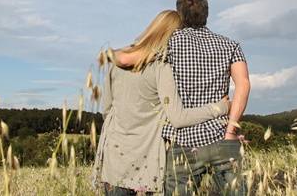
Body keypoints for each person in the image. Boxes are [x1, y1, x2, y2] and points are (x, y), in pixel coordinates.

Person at [93, 10, 230, 195]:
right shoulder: (161, 66)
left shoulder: (118, 62)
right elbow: (178, 118)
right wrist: (220, 107)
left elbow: (107, 110)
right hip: (144, 160)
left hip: (114, 157)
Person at [162, 0, 250, 195]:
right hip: (221, 135)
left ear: (179, 15)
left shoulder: (167, 45)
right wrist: (231, 131)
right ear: (207, 13)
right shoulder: (229, 45)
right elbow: (243, 84)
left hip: (180, 140)